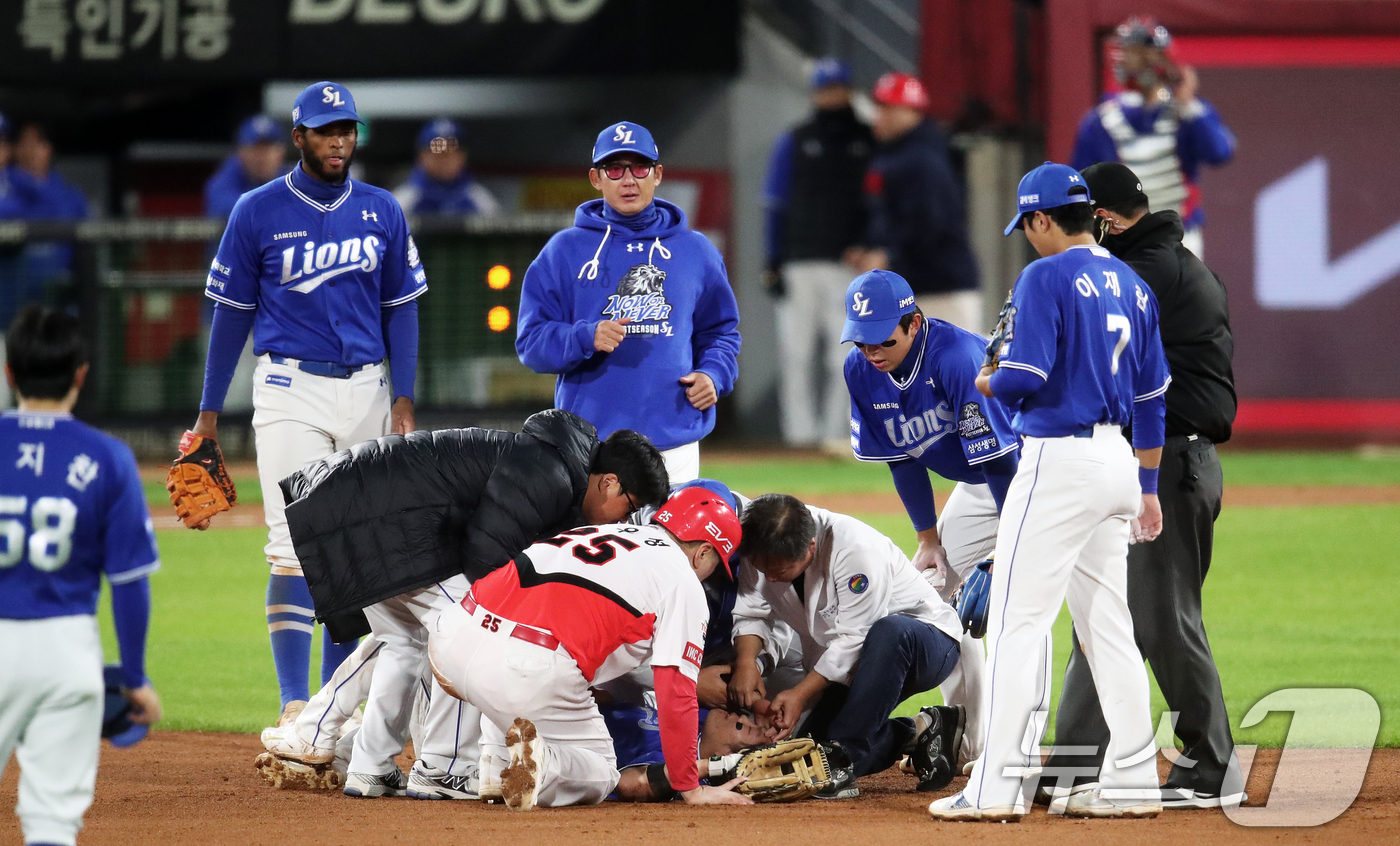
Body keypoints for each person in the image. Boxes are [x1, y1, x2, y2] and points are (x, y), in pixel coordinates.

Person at [930, 162, 1170, 821]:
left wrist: (990, 385)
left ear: (1040, 218)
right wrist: (1146, 488)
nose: (1027, 238)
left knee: (1016, 621)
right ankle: (1133, 780)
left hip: (1059, 460)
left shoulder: (1045, 275)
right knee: (1106, 623)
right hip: (1117, 458)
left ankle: (996, 789)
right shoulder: (1133, 283)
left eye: (1026, 225)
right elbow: (1152, 400)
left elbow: (1023, 374)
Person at [184, 81, 426, 726]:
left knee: (355, 553)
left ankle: (333, 706)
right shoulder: (256, 211)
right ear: (300, 138)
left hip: (370, 390)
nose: (338, 139)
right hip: (291, 389)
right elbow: (230, 317)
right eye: (325, 130)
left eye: (346, 128)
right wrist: (207, 416)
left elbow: (402, 310)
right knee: (293, 546)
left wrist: (404, 396)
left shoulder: (383, 210)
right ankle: (295, 703)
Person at [267, 414, 670, 800]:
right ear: (609, 482)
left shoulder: (559, 469)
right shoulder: (550, 473)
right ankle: (444, 767)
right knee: (472, 631)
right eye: (631, 505)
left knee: (403, 640)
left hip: (361, 511)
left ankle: (356, 756)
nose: (627, 519)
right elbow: (485, 555)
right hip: (375, 518)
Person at [1039, 161, 1242, 810]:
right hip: (1157, 463)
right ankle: (1071, 767)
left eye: (1079, 217)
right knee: (1099, 616)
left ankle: (1210, 768)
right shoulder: (1162, 264)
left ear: (1100, 218)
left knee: (1160, 619)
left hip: (1169, 464)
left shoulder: (1143, 273)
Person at [427, 486, 753, 809]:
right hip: (523, 666)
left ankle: (494, 768)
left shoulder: (598, 531)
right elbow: (676, 689)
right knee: (601, 772)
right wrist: (690, 788)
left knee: (507, 672)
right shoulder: (682, 579)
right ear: (704, 552)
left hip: (451, 636)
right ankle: (541, 764)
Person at [840, 268, 1040, 773]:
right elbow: (902, 457)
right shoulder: (860, 371)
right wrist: (929, 540)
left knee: (1017, 603)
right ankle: (967, 739)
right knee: (936, 598)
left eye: (882, 339)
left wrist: (1007, 551)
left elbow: (1002, 465)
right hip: (979, 481)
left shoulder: (955, 359)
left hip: (1031, 471)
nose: (870, 351)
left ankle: (1021, 750)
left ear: (914, 322)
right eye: (860, 340)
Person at [0, 305, 162, 846]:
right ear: (80, 375)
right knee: (52, 824)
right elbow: (130, 583)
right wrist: (134, 676)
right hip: (67, 653)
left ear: (9, 373)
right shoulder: (109, 459)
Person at [515, 121, 742, 484]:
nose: (628, 180)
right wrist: (584, 338)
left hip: (674, 437)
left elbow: (721, 332)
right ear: (595, 178)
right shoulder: (564, 251)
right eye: (614, 169)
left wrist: (714, 373)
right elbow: (531, 343)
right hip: (591, 442)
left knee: (671, 542)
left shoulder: (695, 250)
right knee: (597, 542)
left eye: (639, 168)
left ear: (658, 175)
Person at [727, 493, 967, 799]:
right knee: (809, 751)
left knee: (888, 632)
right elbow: (751, 610)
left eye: (780, 571)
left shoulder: (855, 548)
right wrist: (747, 664)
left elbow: (858, 636)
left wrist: (800, 694)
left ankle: (843, 758)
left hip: (926, 643)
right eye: (763, 570)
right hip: (850, 665)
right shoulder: (759, 543)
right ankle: (921, 730)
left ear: (810, 548)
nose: (769, 577)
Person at [761, 57, 873, 451]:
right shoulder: (795, 138)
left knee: (844, 353)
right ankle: (799, 436)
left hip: (847, 262)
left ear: (849, 90)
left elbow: (876, 203)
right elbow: (775, 203)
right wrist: (772, 261)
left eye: (837, 87)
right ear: (814, 93)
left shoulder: (867, 138)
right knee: (796, 353)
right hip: (798, 260)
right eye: (824, 88)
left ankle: (837, 435)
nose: (831, 95)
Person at [1070, 17, 1236, 259]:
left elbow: (1220, 151)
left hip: (1180, 236)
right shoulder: (1101, 121)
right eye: (1132, 54)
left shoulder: (1184, 112)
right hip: (1124, 238)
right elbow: (1079, 184)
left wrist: (1188, 104)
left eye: (1145, 54)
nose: (1137, 62)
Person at [853, 73, 981, 332]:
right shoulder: (894, 154)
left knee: (955, 369)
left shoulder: (924, 158)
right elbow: (887, 216)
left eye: (888, 108)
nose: (879, 115)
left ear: (910, 112)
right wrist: (869, 246)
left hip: (941, 287)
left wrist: (889, 255)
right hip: (914, 286)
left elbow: (931, 223)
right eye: (879, 107)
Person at [393, 118, 500, 217]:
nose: (444, 158)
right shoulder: (402, 201)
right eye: (437, 151)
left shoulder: (481, 200)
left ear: (463, 156)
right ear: (422, 156)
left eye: (451, 151)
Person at [204, 115, 290, 219]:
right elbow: (221, 206)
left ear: (281, 152)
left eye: (267, 150)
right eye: (254, 149)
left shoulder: (292, 176)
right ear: (240, 152)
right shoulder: (228, 175)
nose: (261, 157)